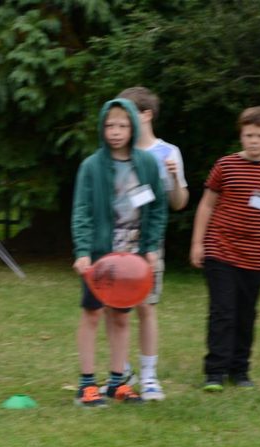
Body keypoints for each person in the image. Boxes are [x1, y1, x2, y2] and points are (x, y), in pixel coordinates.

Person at [190, 106, 260, 392]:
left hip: (257, 254)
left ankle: (239, 370)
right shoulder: (225, 165)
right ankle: (215, 372)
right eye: (249, 135)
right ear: (241, 135)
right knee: (223, 311)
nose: (253, 141)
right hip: (220, 248)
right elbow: (207, 204)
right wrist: (198, 243)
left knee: (245, 314)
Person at [71, 99, 167, 407]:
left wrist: (150, 247)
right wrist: (83, 251)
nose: (115, 131)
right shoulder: (91, 166)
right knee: (93, 313)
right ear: (102, 127)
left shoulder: (147, 164)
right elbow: (82, 212)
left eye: (123, 126)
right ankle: (87, 384)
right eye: (110, 125)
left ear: (133, 127)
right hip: (99, 254)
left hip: (132, 255)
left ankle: (117, 383)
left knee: (122, 317)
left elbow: (157, 208)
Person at [110, 87, 189, 401]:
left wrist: (174, 178)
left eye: (128, 113)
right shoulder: (117, 150)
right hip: (116, 240)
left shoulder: (168, 152)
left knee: (146, 307)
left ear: (146, 115)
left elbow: (179, 203)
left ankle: (149, 377)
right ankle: (121, 372)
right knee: (115, 309)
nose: (120, 122)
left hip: (149, 243)